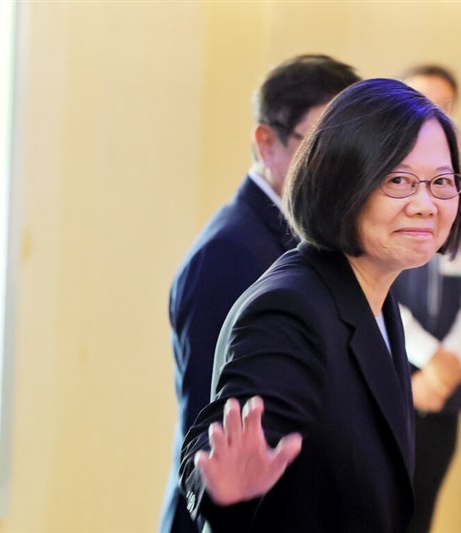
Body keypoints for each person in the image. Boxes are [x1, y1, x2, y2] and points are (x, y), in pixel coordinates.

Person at [179, 78, 461, 532]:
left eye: (442, 182)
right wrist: (228, 492)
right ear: (342, 184)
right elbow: (216, 459)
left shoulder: (374, 292)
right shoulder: (291, 309)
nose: (425, 204)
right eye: (398, 180)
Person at [160, 55, 359, 533]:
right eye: (319, 145)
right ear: (266, 143)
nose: (341, 168)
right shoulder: (229, 254)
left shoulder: (316, 239)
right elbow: (211, 441)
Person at [393, 64, 461, 533]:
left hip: (443, 396)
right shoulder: (379, 193)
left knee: (422, 514)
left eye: (443, 107)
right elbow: (367, 286)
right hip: (393, 383)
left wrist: (447, 366)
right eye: (419, 102)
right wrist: (426, 358)